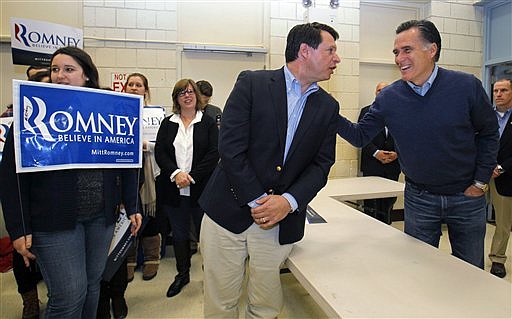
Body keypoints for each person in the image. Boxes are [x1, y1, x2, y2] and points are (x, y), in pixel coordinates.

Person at [198, 22, 341, 318]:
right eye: (331, 50)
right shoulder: (253, 83)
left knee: (265, 306)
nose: (336, 59)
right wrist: (260, 201)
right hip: (227, 213)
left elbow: (322, 164)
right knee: (221, 303)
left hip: (279, 222)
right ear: (305, 51)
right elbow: (231, 148)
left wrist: (287, 203)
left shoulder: (328, 106)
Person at [337, 19, 499, 269]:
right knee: (418, 272)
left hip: (467, 198)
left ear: (431, 50)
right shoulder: (390, 97)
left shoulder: (466, 86)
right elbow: (360, 136)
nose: (399, 58)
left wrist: (480, 183)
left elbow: (489, 133)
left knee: (470, 274)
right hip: (420, 199)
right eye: (396, 52)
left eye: (407, 50)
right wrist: (327, 112)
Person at [0, 46, 143, 319]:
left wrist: (133, 204)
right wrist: (18, 228)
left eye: (68, 69)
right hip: (53, 221)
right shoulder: (29, 115)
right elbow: (10, 177)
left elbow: (125, 162)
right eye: (55, 69)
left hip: (101, 218)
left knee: (91, 287)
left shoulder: (110, 111)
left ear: (87, 75)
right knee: (68, 296)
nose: (60, 75)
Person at [154, 79, 219, 298]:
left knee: (207, 237)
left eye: (191, 92)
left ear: (197, 96)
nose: (187, 96)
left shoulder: (208, 122)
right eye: (182, 93)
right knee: (180, 235)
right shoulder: (167, 123)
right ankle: (183, 274)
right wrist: (176, 174)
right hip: (174, 189)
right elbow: (161, 153)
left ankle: (211, 277)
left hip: (202, 190)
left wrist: (191, 177)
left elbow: (213, 153)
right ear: (176, 98)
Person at [8, 67, 50, 319]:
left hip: (59, 212)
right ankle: (30, 301)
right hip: (29, 209)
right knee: (22, 257)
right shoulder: (20, 128)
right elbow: (10, 183)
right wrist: (17, 228)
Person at [125, 73, 162, 283]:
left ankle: (151, 258)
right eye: (130, 84)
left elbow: (164, 145)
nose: (134, 88)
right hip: (126, 171)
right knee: (128, 215)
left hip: (150, 171)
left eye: (139, 85)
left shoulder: (154, 115)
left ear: (145, 91)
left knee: (151, 214)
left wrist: (146, 146)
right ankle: (128, 260)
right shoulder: (116, 112)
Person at [357, 82, 400, 224]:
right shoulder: (366, 111)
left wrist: (397, 153)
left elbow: (407, 137)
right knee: (371, 204)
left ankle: (387, 227)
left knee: (388, 203)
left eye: (385, 90)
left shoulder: (402, 112)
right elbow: (361, 137)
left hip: (392, 166)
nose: (382, 93)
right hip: (372, 164)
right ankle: (370, 229)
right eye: (379, 90)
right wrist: (376, 153)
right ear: (375, 93)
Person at [488, 78, 512, 278]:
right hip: (479, 174)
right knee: (470, 216)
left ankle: (498, 259)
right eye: (496, 90)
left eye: (503, 90)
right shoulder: (486, 116)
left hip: (505, 176)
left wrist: (502, 167)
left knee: (503, 222)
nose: (498, 94)